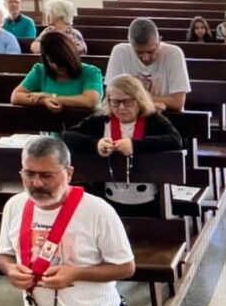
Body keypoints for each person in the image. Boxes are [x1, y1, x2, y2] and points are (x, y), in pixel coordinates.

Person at [0, 135, 135, 306]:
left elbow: (126, 267)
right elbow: (4, 254)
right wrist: (10, 270)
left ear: (69, 173)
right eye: (29, 174)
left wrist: (76, 273)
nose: (36, 183)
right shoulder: (14, 205)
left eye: (47, 175)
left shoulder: (97, 210)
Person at [63, 74, 182, 216]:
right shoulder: (101, 119)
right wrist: (95, 145)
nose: (121, 107)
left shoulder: (152, 118)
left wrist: (135, 145)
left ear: (139, 100)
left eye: (127, 102)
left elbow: (175, 140)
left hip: (150, 199)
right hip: (107, 197)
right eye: (115, 102)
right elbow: (68, 136)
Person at [105, 18, 191, 111]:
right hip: (129, 117)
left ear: (159, 40)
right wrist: (149, 103)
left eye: (151, 51)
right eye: (139, 52)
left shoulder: (174, 53)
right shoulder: (120, 52)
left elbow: (177, 102)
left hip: (168, 117)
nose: (145, 57)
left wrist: (131, 100)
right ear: (131, 44)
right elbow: (110, 97)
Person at [11, 31, 102, 111]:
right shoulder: (40, 70)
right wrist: (43, 101)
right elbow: (16, 96)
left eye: (59, 61)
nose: (56, 66)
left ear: (70, 57)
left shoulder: (91, 72)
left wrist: (52, 96)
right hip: (50, 128)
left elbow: (90, 101)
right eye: (51, 61)